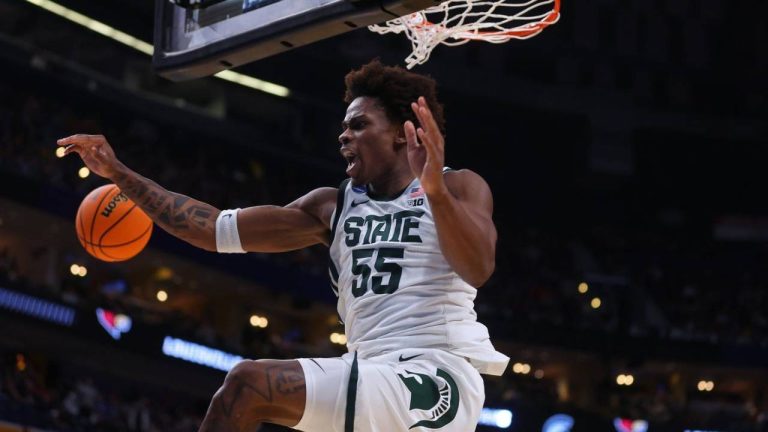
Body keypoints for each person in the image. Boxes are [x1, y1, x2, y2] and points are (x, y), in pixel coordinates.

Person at [58, 61, 509, 432]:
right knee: (246, 389)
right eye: (343, 127)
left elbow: (478, 266)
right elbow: (212, 228)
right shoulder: (331, 206)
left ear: (399, 133)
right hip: (367, 367)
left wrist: (433, 190)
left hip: (433, 374)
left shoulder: (459, 186)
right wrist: (120, 174)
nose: (343, 136)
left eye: (358, 124)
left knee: (248, 384)